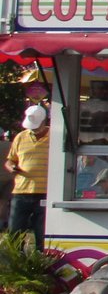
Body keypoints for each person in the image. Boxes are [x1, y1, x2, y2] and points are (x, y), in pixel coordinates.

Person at [5, 104, 51, 247]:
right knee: (15, 232)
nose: (34, 129)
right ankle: (16, 262)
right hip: (21, 191)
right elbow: (10, 160)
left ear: (44, 121)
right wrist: (11, 167)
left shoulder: (54, 137)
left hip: (45, 192)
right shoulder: (20, 137)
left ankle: (42, 261)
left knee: (42, 233)